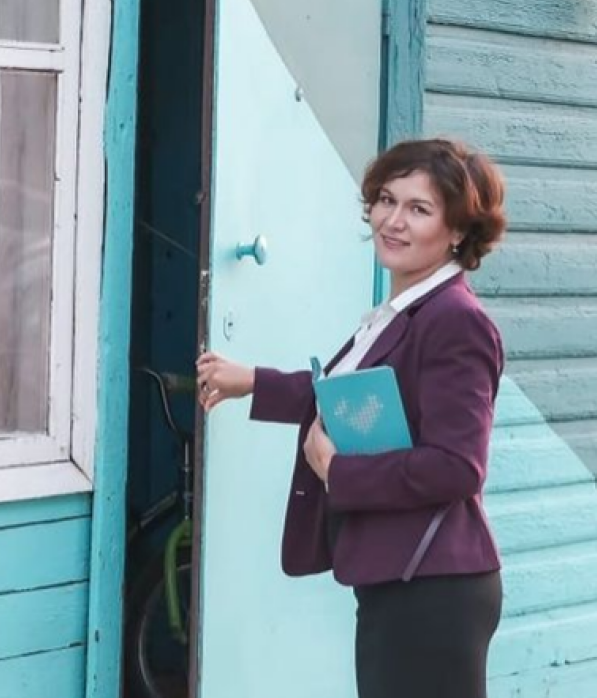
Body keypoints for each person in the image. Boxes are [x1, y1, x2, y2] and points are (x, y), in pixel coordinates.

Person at [196, 138, 507, 698]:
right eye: (387, 200)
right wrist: (254, 382)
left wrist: (338, 473)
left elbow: (458, 467)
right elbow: (352, 399)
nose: (393, 220)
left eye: (419, 208)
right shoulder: (406, 311)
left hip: (434, 588)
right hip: (404, 579)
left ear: (458, 231)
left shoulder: (455, 321)